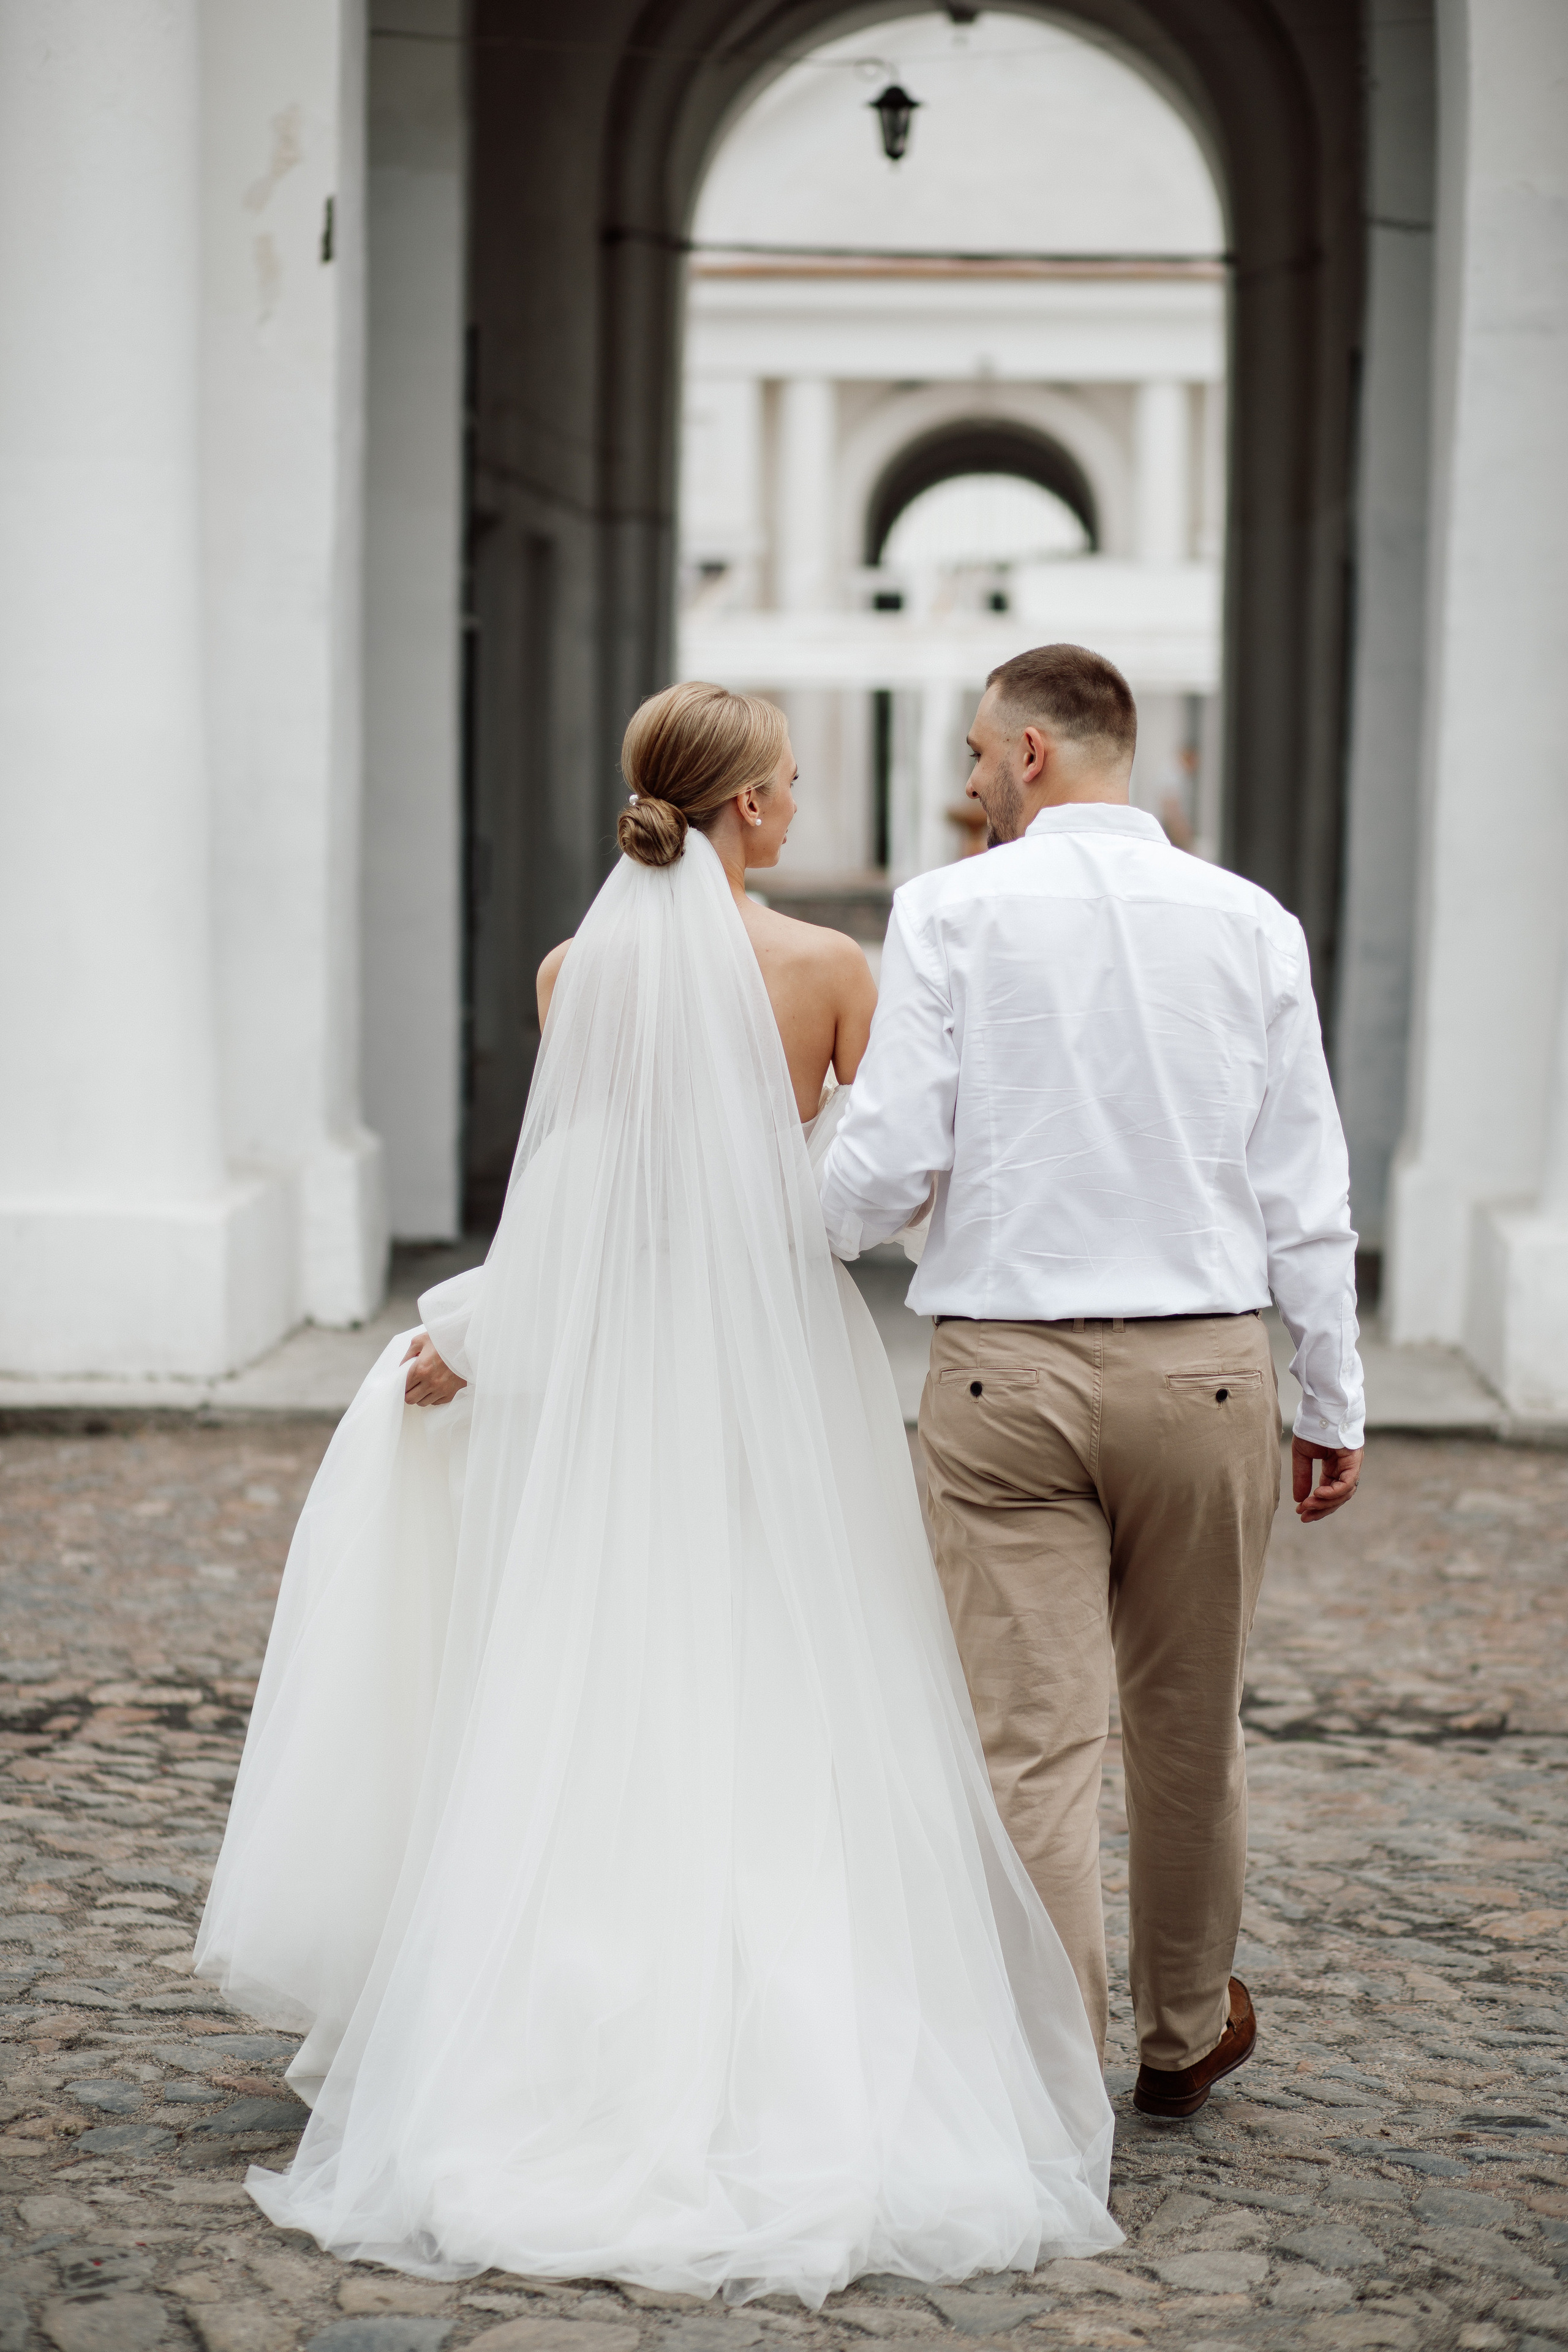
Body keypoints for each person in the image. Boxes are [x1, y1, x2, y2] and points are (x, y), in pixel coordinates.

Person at [194, 681, 1120, 2302]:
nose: (797, 797)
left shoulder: (577, 971)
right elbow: (869, 1194)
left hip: (620, 1363)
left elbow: (579, 1189)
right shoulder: (833, 972)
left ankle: (554, 2027)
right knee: (791, 1663)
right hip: (773, 1370)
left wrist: (482, 1331)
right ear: (753, 811)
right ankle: (802, 2035)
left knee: (603, 1660)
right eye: (789, 782)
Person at [818, 643, 1365, 2122]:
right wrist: (1330, 1399)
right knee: (1191, 1732)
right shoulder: (1253, 925)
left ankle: (1048, 2080)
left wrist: (793, 1223)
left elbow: (889, 1157)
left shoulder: (944, 910)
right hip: (1202, 1374)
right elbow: (1303, 1188)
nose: (970, 780)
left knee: (1029, 1745)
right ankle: (1181, 2036)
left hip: (1002, 1380)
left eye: (982, 753)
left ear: (1037, 754)